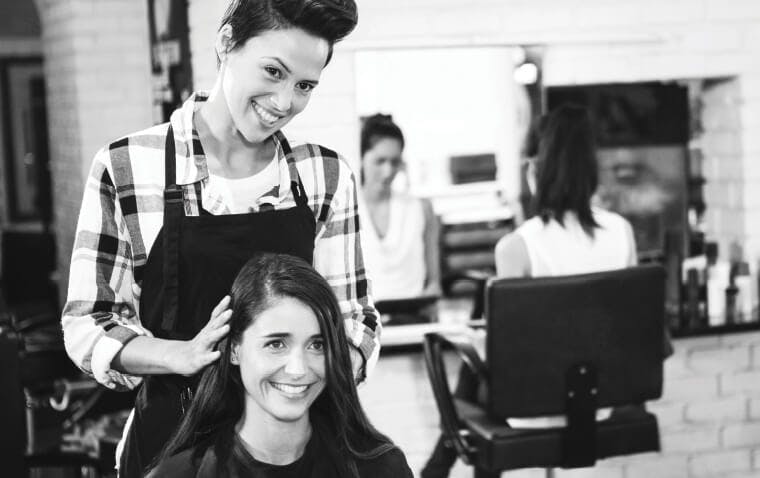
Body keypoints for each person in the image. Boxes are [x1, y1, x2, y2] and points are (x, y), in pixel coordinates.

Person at [61, 1, 380, 476]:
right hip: (171, 443)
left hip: (298, 449)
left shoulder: (324, 176)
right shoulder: (129, 166)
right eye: (273, 71)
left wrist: (308, 380)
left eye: (304, 86)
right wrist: (179, 355)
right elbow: (89, 324)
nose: (284, 101)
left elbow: (354, 318)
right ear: (227, 43)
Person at [420, 104, 639, 478]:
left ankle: (436, 468)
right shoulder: (621, 231)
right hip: (601, 403)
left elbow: (511, 359)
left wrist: (477, 340)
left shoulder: (518, 246)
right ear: (590, 167)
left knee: (473, 364)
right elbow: (628, 327)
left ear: (534, 169)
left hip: (533, 410)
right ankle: (435, 469)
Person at [147, 252, 413, 478]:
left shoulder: (380, 469)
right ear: (234, 350)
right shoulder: (180, 474)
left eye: (317, 345)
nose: (298, 369)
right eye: (276, 344)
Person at [358, 114, 441, 301]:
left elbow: (434, 283)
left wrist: (431, 297)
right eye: (380, 161)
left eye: (395, 162)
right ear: (361, 158)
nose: (388, 172)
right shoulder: (345, 210)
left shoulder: (421, 208)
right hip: (365, 320)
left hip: (414, 313)